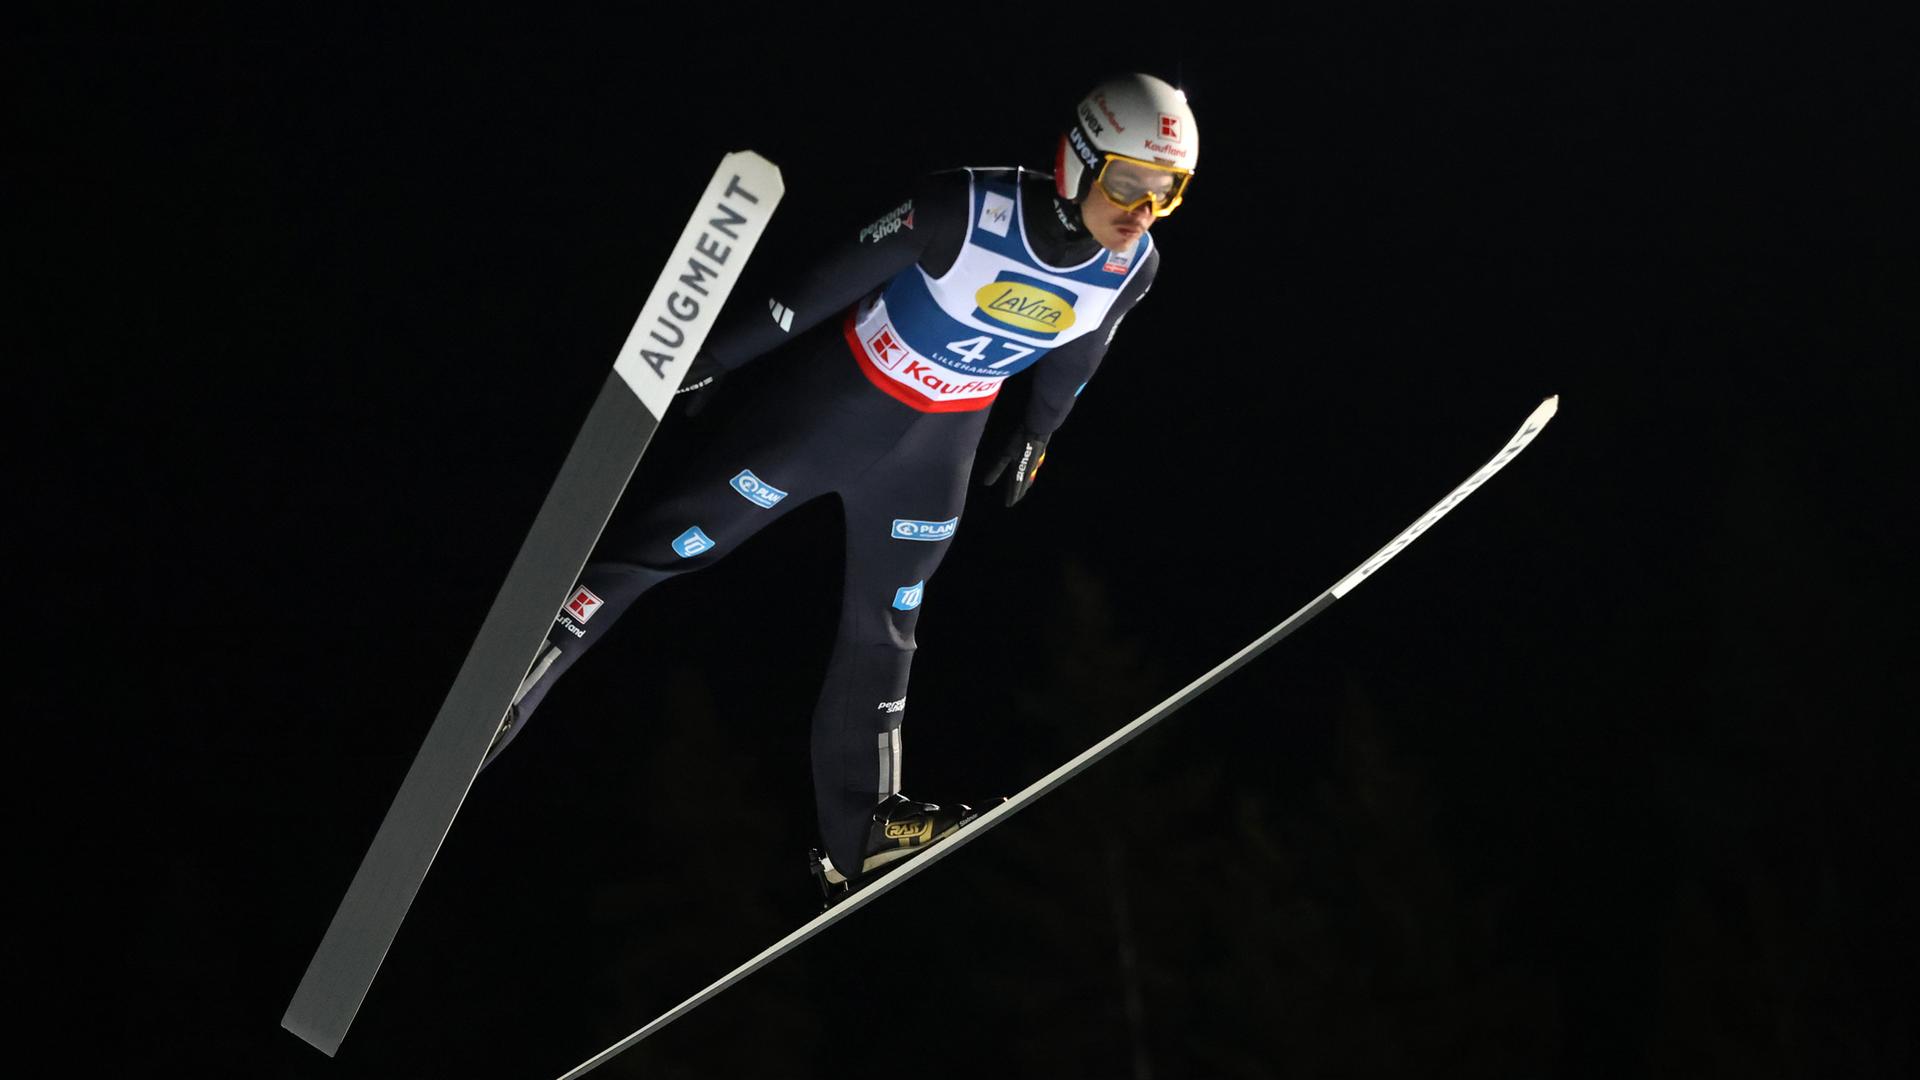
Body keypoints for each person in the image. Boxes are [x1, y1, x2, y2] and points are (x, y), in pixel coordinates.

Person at [484, 72, 1200, 901]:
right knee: (672, 547)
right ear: (1077, 162)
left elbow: (1083, 352)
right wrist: (713, 358)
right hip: (837, 413)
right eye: (1128, 184)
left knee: (888, 630)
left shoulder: (1133, 265)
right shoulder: (962, 208)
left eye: (1167, 194)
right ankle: (516, 683)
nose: (1142, 211)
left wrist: (1039, 432)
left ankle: (860, 827)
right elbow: (820, 287)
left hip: (938, 456)